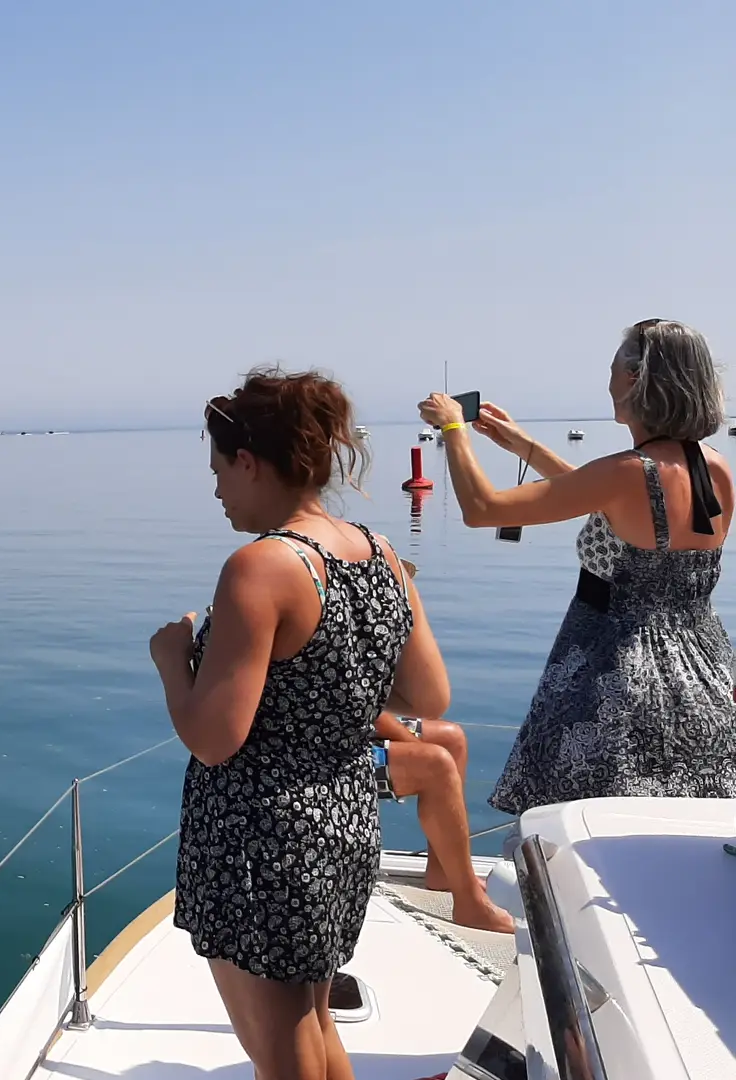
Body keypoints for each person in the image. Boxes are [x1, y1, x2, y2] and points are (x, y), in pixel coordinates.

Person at [151, 367, 449, 1080]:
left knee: (282, 1050)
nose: (218, 488)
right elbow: (427, 695)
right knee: (313, 1021)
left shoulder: (261, 568)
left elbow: (214, 737)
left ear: (250, 463)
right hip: (343, 819)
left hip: (266, 834)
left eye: (220, 469)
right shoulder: (379, 555)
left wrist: (171, 663)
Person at [418, 318, 736, 815]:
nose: (607, 381)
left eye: (612, 369)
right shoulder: (713, 467)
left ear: (634, 378)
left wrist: (455, 428)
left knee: (591, 830)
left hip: (616, 678)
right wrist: (523, 445)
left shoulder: (625, 474)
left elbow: (483, 508)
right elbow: (611, 504)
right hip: (703, 675)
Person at [371, 712, 513, 933]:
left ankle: (444, 872)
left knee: (450, 738)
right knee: (435, 763)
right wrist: (414, 746)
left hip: (353, 723)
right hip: (315, 749)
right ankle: (470, 906)